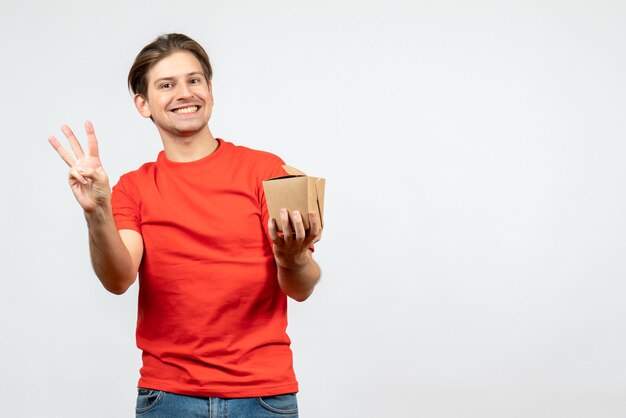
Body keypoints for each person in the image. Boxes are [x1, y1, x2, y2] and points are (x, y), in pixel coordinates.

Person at [48, 33, 321, 418]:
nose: (184, 93)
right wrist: (97, 212)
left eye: (194, 80)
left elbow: (303, 287)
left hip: (263, 396)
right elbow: (118, 278)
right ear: (142, 103)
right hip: (168, 397)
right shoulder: (133, 189)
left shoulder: (268, 172)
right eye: (166, 84)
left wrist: (292, 259)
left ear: (210, 89)